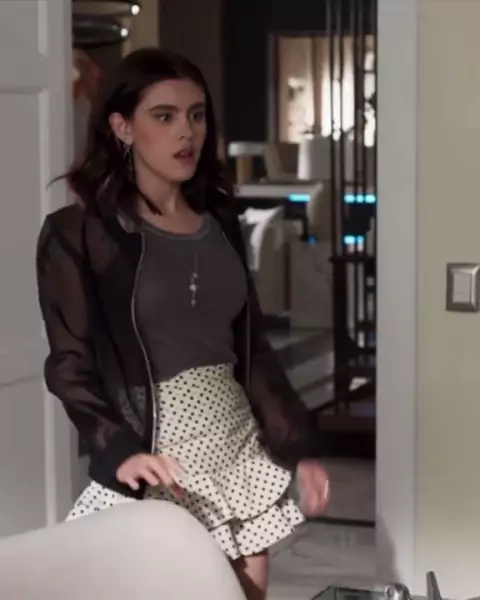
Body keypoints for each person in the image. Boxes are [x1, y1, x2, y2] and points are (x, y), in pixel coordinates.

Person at [36, 48, 330, 600]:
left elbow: (250, 349)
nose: (186, 132)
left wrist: (295, 448)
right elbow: (69, 364)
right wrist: (120, 451)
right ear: (122, 127)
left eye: (196, 115)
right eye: (164, 116)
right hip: (160, 459)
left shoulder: (220, 221)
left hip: (237, 449)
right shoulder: (79, 234)